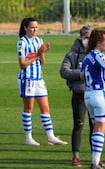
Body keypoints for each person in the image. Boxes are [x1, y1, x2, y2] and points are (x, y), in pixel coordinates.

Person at [17, 17, 67, 146]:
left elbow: (42, 62)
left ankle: (51, 137)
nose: (35, 30)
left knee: (45, 108)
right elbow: (22, 64)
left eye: (36, 27)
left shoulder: (39, 40)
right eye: (32, 27)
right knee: (29, 108)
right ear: (25, 28)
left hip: (39, 79)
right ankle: (28, 137)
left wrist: (41, 53)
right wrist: (37, 54)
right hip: (27, 79)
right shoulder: (22, 43)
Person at [81, 29, 105, 169]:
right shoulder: (98, 55)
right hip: (100, 94)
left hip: (88, 95)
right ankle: (95, 162)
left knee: (95, 128)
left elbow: (83, 76)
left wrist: (103, 74)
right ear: (98, 42)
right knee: (100, 129)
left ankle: (95, 160)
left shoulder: (87, 56)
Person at [60, 25, 93, 167]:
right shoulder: (72, 54)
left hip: (94, 94)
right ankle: (76, 156)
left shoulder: (96, 53)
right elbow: (64, 71)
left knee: (95, 126)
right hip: (79, 94)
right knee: (79, 124)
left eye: (91, 38)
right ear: (81, 37)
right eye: (86, 38)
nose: (88, 40)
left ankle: (95, 156)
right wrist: (80, 74)